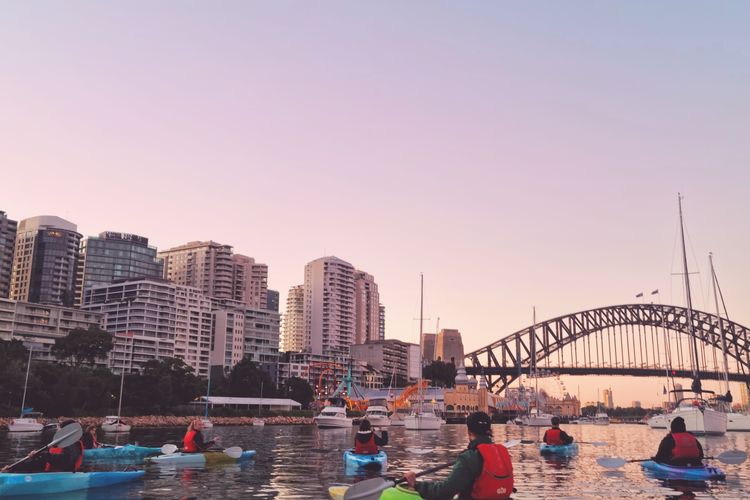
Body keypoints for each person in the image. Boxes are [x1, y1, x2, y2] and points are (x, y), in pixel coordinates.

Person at [403, 411, 514, 500]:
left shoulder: (468, 458)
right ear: (490, 430)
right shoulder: (503, 453)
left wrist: (416, 484)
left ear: (469, 432)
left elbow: (444, 493)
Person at [1, 419, 84, 473]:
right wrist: (13, 468)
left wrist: (42, 454)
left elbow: (67, 462)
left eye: (59, 428)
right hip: (51, 475)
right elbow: (41, 463)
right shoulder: (57, 445)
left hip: (64, 476)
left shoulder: (73, 444)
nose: (57, 430)